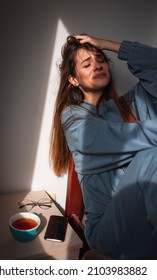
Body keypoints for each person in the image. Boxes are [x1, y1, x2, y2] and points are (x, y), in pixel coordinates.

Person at [50, 33, 157, 259]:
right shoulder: (73, 118)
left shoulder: (128, 106)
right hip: (107, 228)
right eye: (87, 64)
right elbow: (122, 137)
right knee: (152, 153)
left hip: (143, 218)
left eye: (100, 59)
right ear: (74, 80)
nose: (97, 65)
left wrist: (111, 45)